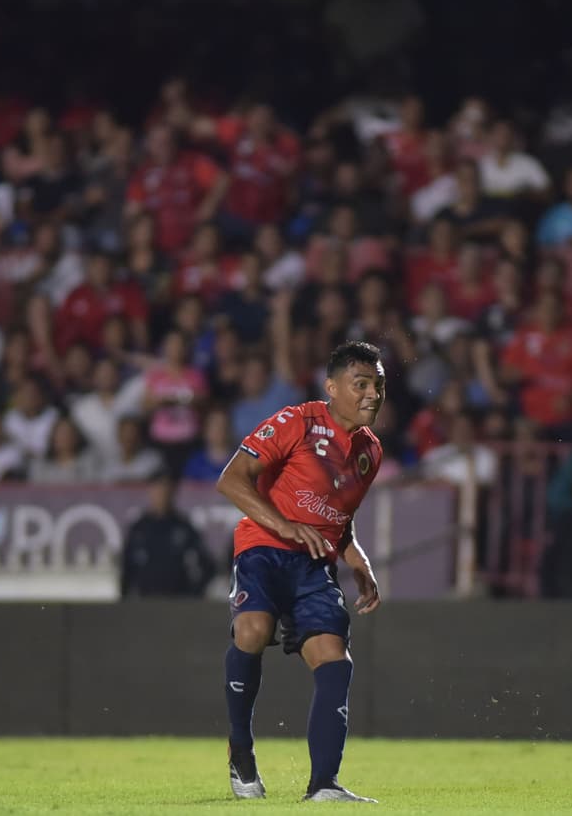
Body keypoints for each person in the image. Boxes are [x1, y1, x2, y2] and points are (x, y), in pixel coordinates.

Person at [215, 341, 385, 803]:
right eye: (361, 384)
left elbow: (339, 518)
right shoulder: (297, 421)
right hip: (263, 548)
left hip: (314, 563)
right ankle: (240, 750)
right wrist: (285, 525)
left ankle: (324, 785)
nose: (373, 394)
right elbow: (231, 479)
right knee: (252, 630)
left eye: (378, 384)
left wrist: (357, 559)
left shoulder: (370, 451)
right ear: (332, 387)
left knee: (334, 659)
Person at [120, 473, 217, 597]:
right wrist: (125, 597)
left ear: (172, 493)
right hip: (145, 600)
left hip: (177, 600)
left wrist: (194, 594)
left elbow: (207, 565)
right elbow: (126, 568)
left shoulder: (184, 527)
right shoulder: (139, 529)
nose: (161, 495)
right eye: (158, 490)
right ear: (150, 492)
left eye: (165, 490)